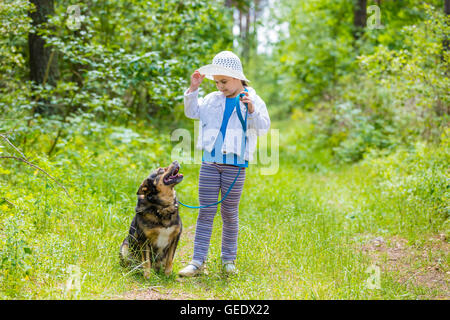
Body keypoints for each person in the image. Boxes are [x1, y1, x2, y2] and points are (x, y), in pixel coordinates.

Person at [179, 51, 270, 276]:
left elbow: (263, 128)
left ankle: (228, 261)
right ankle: (197, 261)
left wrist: (251, 110)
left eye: (224, 81)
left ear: (238, 77)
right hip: (210, 162)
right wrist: (193, 89)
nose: (220, 86)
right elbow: (192, 112)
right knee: (206, 212)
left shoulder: (253, 99)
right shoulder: (211, 99)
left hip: (235, 166)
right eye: (217, 82)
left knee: (229, 213)